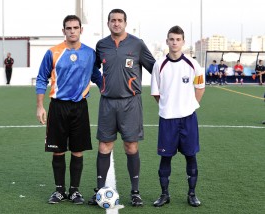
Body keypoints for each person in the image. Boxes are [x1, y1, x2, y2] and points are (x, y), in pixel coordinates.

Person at [87, 8, 155, 207]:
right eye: (113, 20)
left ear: (125, 23)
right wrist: (101, 84)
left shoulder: (137, 44)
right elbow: (93, 68)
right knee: (104, 145)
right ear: (108, 23)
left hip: (131, 103)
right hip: (107, 103)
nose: (116, 23)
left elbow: (156, 69)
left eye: (119, 20)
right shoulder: (101, 45)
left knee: (131, 146)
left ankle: (135, 192)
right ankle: (100, 190)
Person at [36, 15, 102, 205]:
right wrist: (40, 106)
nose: (72, 31)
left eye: (75, 27)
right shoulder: (53, 52)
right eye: (68, 28)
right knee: (58, 151)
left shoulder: (90, 53)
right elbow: (41, 79)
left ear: (81, 30)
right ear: (63, 30)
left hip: (80, 107)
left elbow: (96, 75)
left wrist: (109, 91)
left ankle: (74, 191)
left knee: (78, 150)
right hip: (58, 107)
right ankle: (59, 191)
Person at [150, 26, 205, 208]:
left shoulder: (193, 64)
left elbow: (200, 87)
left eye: (178, 39)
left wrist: (191, 106)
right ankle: (164, 194)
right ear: (167, 41)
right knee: (165, 158)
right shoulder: (159, 65)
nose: (174, 42)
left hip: (188, 119)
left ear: (183, 42)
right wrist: (168, 108)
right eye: (171, 39)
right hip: (167, 120)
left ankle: (192, 194)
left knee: (191, 156)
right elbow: (156, 93)